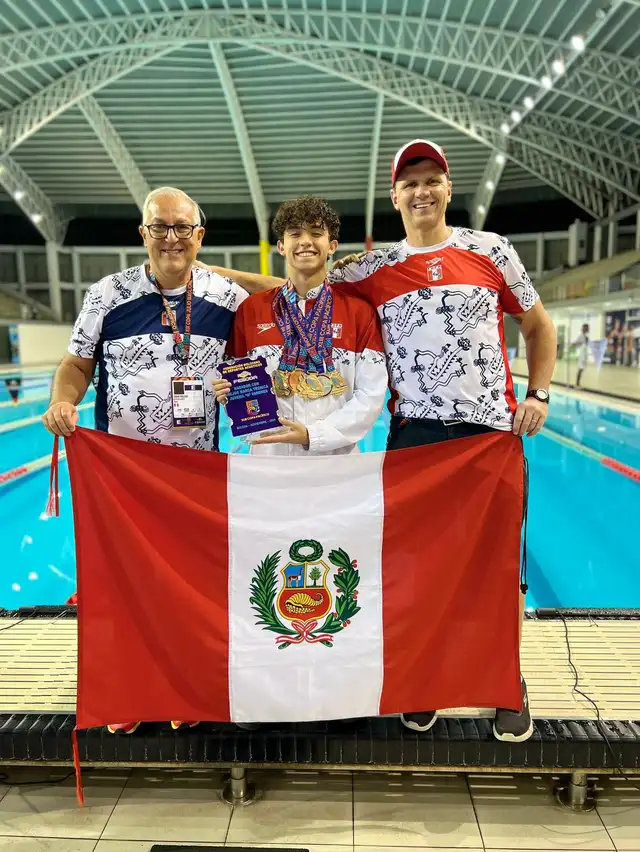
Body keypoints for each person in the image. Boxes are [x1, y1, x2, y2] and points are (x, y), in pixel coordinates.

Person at [199, 139, 557, 743]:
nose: (421, 192)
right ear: (395, 196)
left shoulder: (491, 250)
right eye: (409, 183)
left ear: (447, 188)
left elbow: (538, 324)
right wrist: (211, 274)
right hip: (415, 434)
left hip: (488, 435)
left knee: (494, 567)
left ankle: (506, 684)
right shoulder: (374, 268)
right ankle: (425, 682)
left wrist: (539, 394)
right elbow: (299, 283)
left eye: (431, 179)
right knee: (418, 568)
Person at [42, 186, 264, 734]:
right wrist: (62, 401)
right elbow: (76, 365)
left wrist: (214, 272)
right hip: (123, 472)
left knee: (188, 586)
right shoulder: (108, 294)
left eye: (182, 228)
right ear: (143, 233)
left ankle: (183, 689)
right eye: (160, 227)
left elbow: (282, 300)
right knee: (123, 584)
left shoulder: (225, 296)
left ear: (199, 235)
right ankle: (126, 692)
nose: (171, 238)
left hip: (194, 473)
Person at [212, 196, 387, 457]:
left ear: (332, 246)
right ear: (281, 246)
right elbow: (237, 381)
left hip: (336, 464)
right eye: (295, 233)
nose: (305, 241)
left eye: (316, 233)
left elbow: (371, 394)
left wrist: (314, 435)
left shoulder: (359, 313)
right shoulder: (251, 310)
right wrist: (230, 393)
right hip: (270, 461)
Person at [571, 323, 590, 388]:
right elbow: (576, 343)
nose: (588, 329)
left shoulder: (585, 336)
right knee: (580, 368)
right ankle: (577, 383)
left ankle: (578, 383)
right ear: (584, 328)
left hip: (584, 354)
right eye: (587, 328)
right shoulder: (581, 335)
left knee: (582, 369)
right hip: (582, 355)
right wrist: (573, 344)